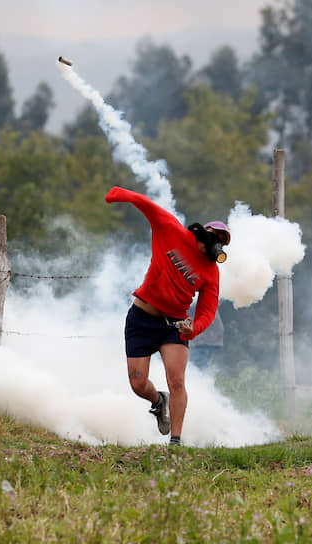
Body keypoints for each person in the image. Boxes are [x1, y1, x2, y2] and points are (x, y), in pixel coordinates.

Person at [105, 186, 230, 446]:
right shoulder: (172, 231)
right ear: (205, 232)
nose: (219, 241)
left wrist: (192, 329)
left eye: (224, 240)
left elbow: (208, 309)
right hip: (141, 317)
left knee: (177, 380)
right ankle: (157, 401)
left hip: (174, 326)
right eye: (217, 236)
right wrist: (118, 194)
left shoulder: (211, 272)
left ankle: (175, 441)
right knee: (138, 383)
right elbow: (148, 206)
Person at [186, 302, 223, 372]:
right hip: (209, 338)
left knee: (194, 369)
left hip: (202, 339)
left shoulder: (194, 298)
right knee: (199, 368)